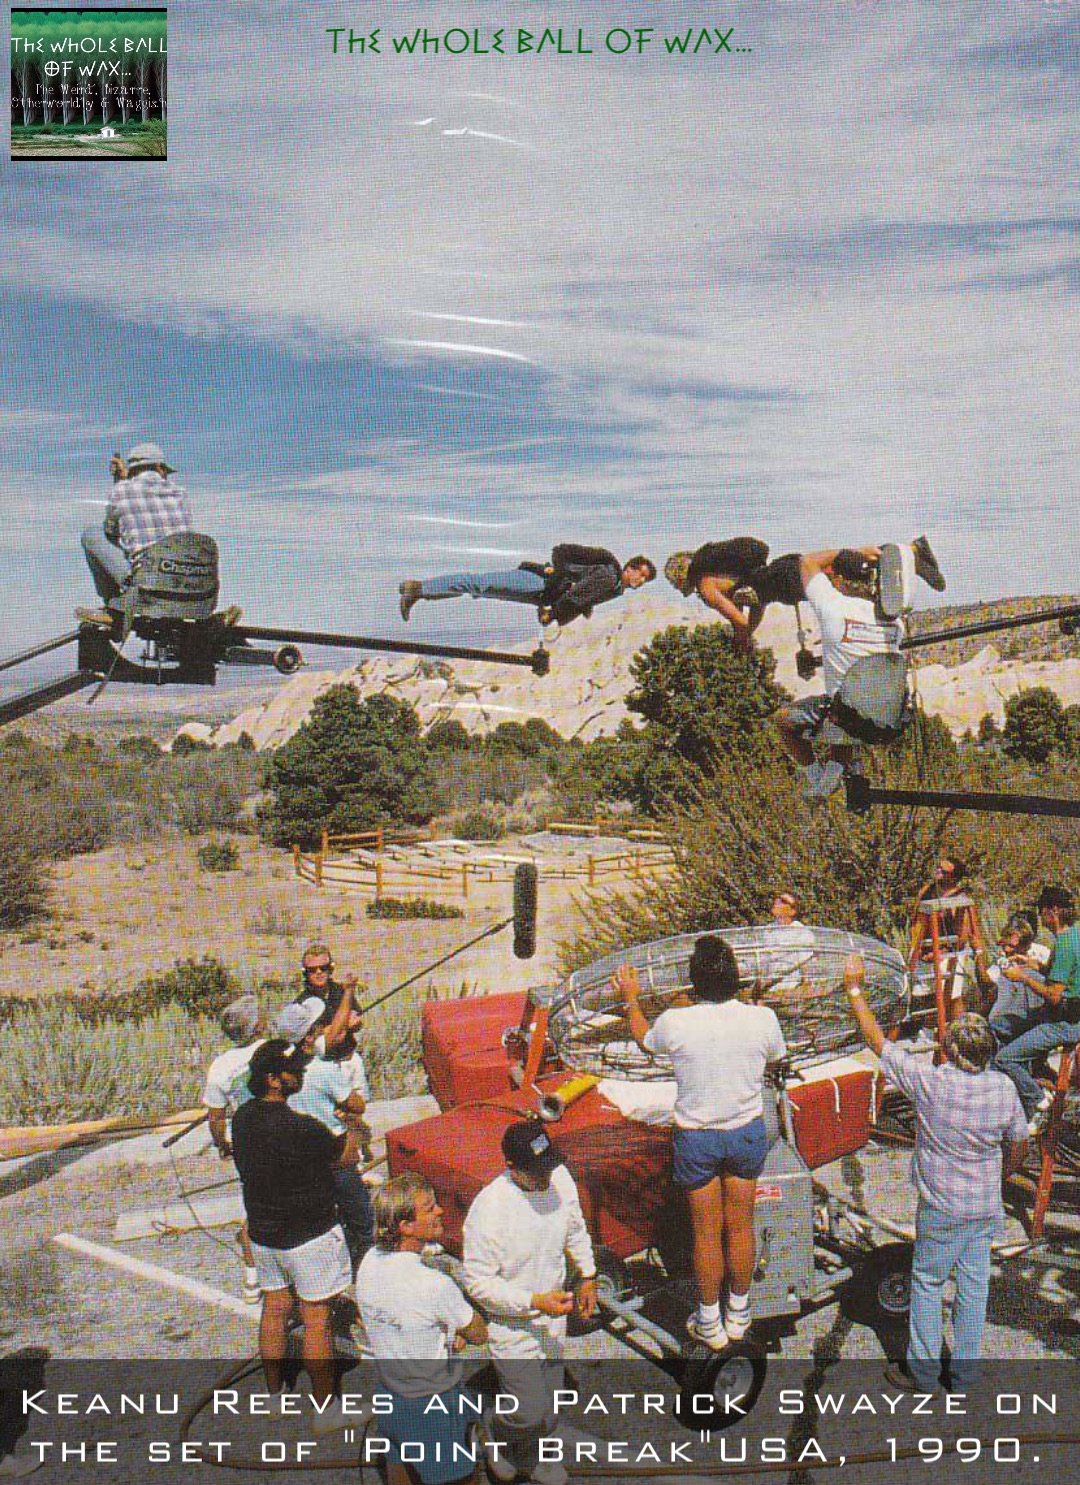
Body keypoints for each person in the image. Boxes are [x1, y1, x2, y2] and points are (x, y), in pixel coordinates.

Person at [843, 956, 1027, 1393]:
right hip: (983, 1207)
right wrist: (1001, 1177)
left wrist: (854, 990)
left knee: (927, 1284)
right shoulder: (1003, 1088)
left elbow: (878, 1043)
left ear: (953, 1050)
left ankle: (923, 1373)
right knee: (974, 1290)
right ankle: (962, 1376)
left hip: (942, 1207)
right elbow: (1019, 1143)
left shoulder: (931, 1084)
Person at [615, 934, 786, 1352]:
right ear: (736, 979)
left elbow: (644, 1039)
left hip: (698, 1138)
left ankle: (709, 1320)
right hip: (746, 1132)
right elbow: (776, 1058)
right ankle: (740, 1313)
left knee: (706, 1233)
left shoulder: (676, 1022)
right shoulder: (762, 1019)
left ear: (694, 982)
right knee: (740, 1226)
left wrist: (631, 1000)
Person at [230, 1039, 359, 1432]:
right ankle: (326, 1411)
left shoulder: (243, 1118)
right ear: (273, 1079)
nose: (301, 1073)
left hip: (265, 1234)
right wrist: (349, 1123)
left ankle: (274, 1398)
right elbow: (346, 1157)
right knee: (316, 1322)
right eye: (294, 1070)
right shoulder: (301, 1128)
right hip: (310, 1236)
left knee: (274, 1310)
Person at [461, 1118, 597, 1485]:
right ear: (511, 1167)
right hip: (513, 1326)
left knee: (551, 1407)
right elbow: (477, 1283)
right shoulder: (489, 1208)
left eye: (549, 1165)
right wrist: (533, 1301)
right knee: (524, 1412)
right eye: (536, 1171)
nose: (546, 1177)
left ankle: (537, 1458)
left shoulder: (557, 1178)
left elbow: (575, 1227)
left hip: (554, 1318)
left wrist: (587, 1274)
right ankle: (492, 1430)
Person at [356, 1175, 488, 1485]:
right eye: (429, 1208)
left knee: (401, 1472)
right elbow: (478, 1334)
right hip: (432, 1405)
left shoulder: (369, 1263)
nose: (440, 1211)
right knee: (461, 1479)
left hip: (391, 1395)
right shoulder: (434, 1285)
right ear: (406, 1226)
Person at [773, 546, 907, 799]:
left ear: (840, 580)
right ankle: (839, 771)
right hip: (891, 719)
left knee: (784, 720)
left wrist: (852, 550)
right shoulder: (894, 620)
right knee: (846, 704)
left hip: (850, 717)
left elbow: (807, 560)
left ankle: (817, 779)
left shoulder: (833, 607)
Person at [664, 536, 946, 649]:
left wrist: (740, 643)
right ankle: (909, 552)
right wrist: (749, 629)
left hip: (786, 580)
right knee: (837, 563)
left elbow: (738, 620)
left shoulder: (706, 584)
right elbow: (756, 605)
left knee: (841, 573)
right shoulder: (726, 573)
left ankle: (908, 554)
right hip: (781, 572)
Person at [275, 998, 374, 1269]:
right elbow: (357, 1105)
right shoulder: (323, 1070)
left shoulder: (279, 1074)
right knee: (362, 1220)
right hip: (335, 1156)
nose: (320, 1030)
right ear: (308, 1037)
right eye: (315, 1028)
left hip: (300, 1159)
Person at [994, 885, 1080, 1130]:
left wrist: (1023, 977)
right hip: (1066, 1013)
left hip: (1065, 1022)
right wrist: (1033, 965)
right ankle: (1035, 1071)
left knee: (1004, 1059)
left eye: (1042, 911)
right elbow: (1063, 977)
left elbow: (1054, 995)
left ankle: (1037, 1101)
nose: (1041, 918)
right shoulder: (1074, 934)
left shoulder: (1064, 943)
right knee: (1000, 1026)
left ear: (1052, 911)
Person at [398, 546, 656, 626]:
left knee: (481, 588)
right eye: (640, 574)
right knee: (479, 583)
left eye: (644, 579)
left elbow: (581, 597)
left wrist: (559, 609)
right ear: (630, 567)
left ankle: (421, 592)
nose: (640, 581)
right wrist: (555, 610)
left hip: (542, 594)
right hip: (539, 582)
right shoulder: (610, 576)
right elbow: (576, 594)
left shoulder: (615, 589)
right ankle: (417, 588)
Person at [201, 994, 267, 1303]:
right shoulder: (276, 1050)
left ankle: (252, 1279)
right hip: (280, 1135)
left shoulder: (220, 1067)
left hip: (246, 1144)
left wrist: (223, 1145)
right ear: (255, 1027)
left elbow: (215, 1117)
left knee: (256, 1206)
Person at [81, 443, 193, 606]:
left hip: (150, 583)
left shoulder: (120, 491)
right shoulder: (180, 493)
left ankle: (112, 602)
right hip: (189, 580)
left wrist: (120, 481)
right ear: (159, 467)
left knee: (92, 534)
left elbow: (111, 533)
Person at [907, 857, 986, 1016]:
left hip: (950, 953)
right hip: (924, 951)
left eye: (944, 871)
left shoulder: (960, 898)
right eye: (938, 868)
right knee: (924, 996)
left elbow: (962, 936)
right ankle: (930, 1031)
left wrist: (942, 952)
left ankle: (959, 1029)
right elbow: (916, 922)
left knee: (952, 996)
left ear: (953, 877)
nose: (938, 872)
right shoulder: (927, 890)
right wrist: (919, 951)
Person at [981, 914, 1051, 1047]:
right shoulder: (1005, 960)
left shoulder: (1041, 955)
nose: (1006, 950)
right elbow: (988, 981)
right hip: (1012, 1018)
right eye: (1005, 945)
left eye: (1011, 946)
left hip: (1035, 1019)